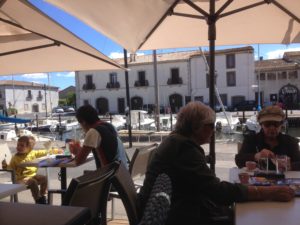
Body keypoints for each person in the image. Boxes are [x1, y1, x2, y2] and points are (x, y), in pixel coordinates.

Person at [138, 102, 294, 225]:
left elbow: (209, 187)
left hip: (171, 209)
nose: (214, 130)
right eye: (210, 125)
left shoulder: (176, 142)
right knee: (246, 217)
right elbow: (218, 192)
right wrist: (269, 192)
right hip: (176, 216)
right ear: (195, 127)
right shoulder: (184, 148)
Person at [235, 105, 300, 170]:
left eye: (276, 124)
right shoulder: (251, 140)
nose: (272, 128)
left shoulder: (290, 141)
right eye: (267, 124)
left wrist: (290, 165)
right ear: (261, 124)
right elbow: (238, 160)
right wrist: (256, 156)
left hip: (284, 178)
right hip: (258, 178)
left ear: (281, 124)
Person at [7, 136, 48, 204]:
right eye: (18, 145)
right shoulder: (15, 158)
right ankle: (38, 199)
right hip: (20, 178)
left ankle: (43, 195)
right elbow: (10, 168)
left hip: (32, 175)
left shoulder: (32, 153)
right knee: (33, 182)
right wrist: (6, 166)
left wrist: (51, 151)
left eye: (22, 145)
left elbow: (42, 152)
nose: (18, 147)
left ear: (29, 148)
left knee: (45, 178)